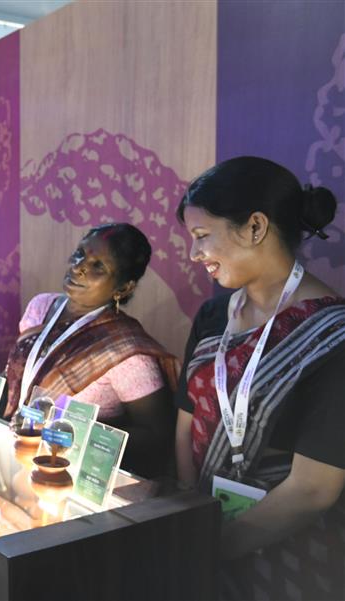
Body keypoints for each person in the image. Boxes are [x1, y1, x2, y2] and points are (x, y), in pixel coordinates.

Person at [174, 156, 344, 600]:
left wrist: (210, 548)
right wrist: (190, 515)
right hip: (200, 538)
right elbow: (186, 418)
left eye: (201, 237)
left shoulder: (334, 336)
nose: (194, 255)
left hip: (294, 562)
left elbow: (314, 489)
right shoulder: (214, 315)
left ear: (254, 228)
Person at [4, 223, 180, 477]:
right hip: (19, 450)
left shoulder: (127, 351)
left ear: (123, 288)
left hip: (72, 474)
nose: (79, 267)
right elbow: (22, 371)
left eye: (99, 266)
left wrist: (79, 438)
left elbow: (157, 434)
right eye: (80, 254)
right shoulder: (40, 307)